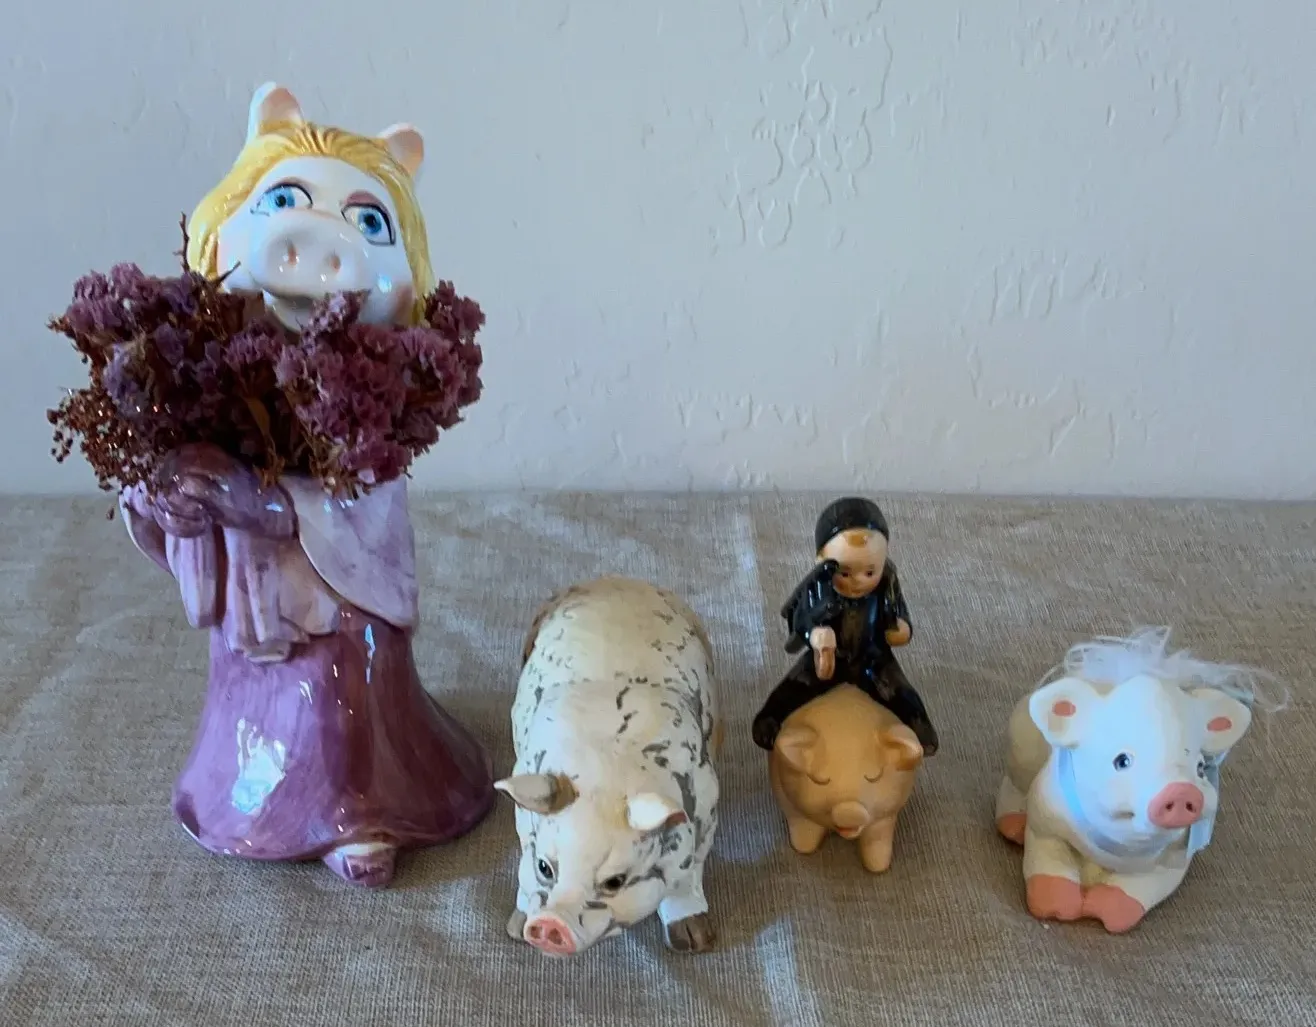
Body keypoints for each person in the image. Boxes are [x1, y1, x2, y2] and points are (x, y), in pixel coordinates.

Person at [751, 496, 939, 756]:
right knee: (795, 685)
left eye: (869, 572)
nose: (857, 581)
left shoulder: (886, 585)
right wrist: (815, 635)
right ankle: (769, 718)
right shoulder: (818, 588)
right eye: (846, 573)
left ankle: (919, 725)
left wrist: (901, 630)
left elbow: (899, 615)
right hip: (830, 659)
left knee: (900, 689)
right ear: (822, 559)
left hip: (872, 655)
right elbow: (801, 620)